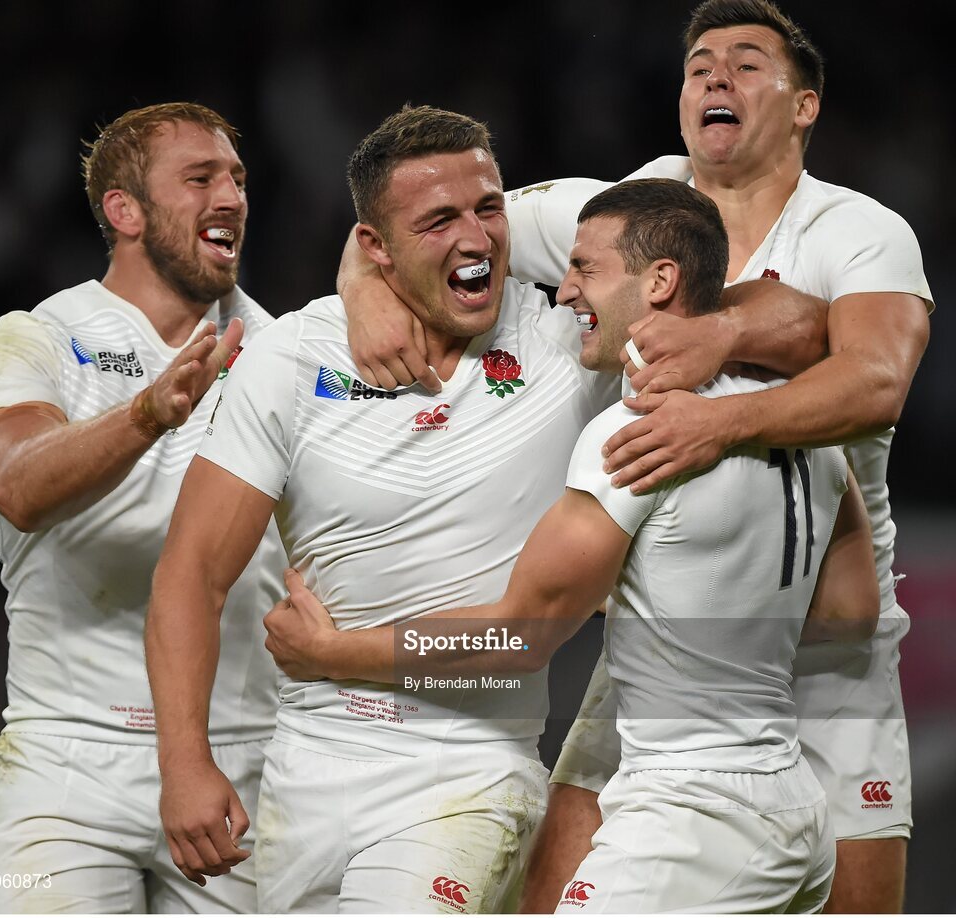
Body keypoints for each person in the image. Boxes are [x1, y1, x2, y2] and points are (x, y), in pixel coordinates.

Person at [344, 2, 933, 911]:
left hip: (824, 663)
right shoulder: (631, 208)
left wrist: (717, 419)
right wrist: (365, 287)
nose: (715, 78)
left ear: (805, 106)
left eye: (746, 64)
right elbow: (435, 220)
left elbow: (879, 380)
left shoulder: (859, 231)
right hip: (669, 655)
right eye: (699, 64)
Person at [266, 178, 881, 913]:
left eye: (585, 268)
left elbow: (516, 640)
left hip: (689, 819)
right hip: (793, 804)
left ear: (659, 281)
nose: (562, 292)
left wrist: (331, 654)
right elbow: (850, 613)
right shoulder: (808, 436)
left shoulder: (637, 437)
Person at [145, 104, 622, 913]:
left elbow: (678, 233)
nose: (477, 239)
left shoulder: (565, 343)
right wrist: (184, 762)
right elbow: (192, 572)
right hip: (305, 770)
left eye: (490, 208)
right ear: (374, 245)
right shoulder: (296, 356)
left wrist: (335, 652)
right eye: (438, 221)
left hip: (468, 770)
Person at [0, 102, 285, 914]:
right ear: (124, 209)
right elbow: (15, 483)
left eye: (238, 179)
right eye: (201, 177)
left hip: (242, 762)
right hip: (63, 773)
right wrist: (148, 414)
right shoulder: (36, 338)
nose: (232, 196)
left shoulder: (290, 352)